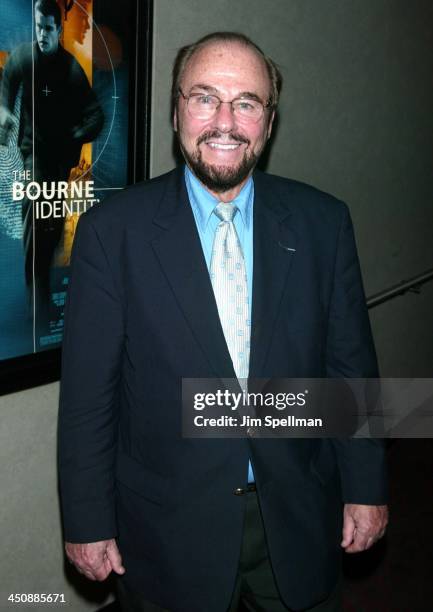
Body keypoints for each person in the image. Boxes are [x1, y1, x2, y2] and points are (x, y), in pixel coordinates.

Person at [58, 32, 388, 612]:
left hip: (298, 517)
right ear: (177, 107)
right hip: (165, 530)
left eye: (247, 103)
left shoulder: (323, 223)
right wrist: (87, 520)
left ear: (269, 118)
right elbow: (90, 397)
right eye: (205, 98)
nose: (225, 122)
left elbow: (350, 370)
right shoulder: (113, 233)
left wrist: (366, 488)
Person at [0, 0, 103, 329]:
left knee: (51, 233)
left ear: (59, 30)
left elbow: (96, 116)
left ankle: (43, 309)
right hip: (34, 160)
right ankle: (37, 310)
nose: (41, 34)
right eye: (38, 27)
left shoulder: (71, 70)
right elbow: (9, 82)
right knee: (37, 227)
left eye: (47, 28)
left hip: (59, 166)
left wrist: (76, 135)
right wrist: (4, 113)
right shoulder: (23, 57)